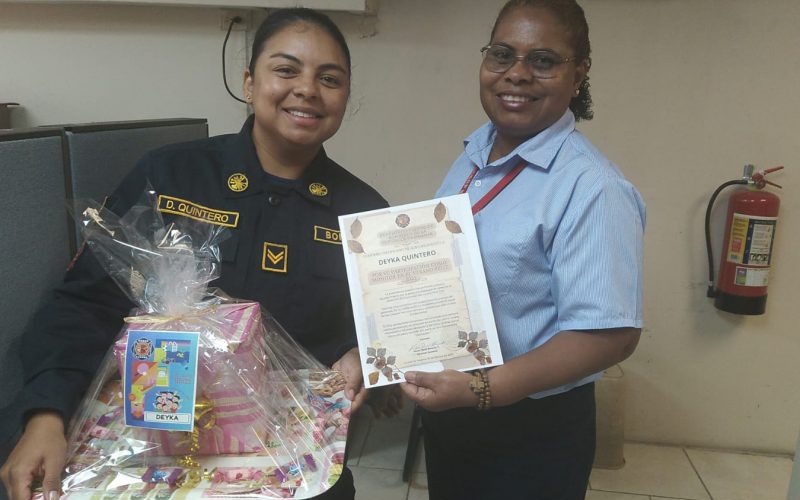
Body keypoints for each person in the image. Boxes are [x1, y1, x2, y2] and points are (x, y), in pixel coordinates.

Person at [0, 8, 387, 500]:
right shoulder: (170, 177)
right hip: (154, 448)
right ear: (249, 83)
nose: (308, 89)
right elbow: (85, 302)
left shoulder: (365, 213)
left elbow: (385, 332)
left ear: (346, 96)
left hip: (294, 463)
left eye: (329, 78)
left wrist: (368, 360)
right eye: (286, 70)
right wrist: (45, 414)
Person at [400, 1, 645, 499]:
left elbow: (611, 336)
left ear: (578, 74)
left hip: (530, 431)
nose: (516, 73)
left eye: (543, 60)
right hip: (456, 410)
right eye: (502, 54)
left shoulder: (592, 187)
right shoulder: (474, 155)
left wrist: (483, 390)